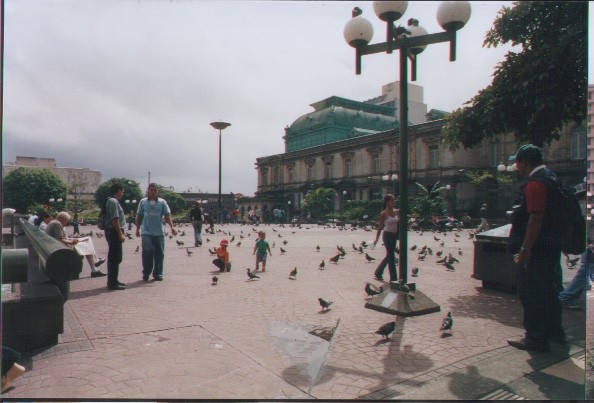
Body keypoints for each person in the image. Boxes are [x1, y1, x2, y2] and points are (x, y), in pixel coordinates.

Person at [507, 144, 565, 352]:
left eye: (517, 162)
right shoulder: (552, 178)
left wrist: (525, 249)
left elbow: (536, 219)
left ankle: (535, 337)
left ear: (524, 162)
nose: (517, 166)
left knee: (530, 292)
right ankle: (555, 332)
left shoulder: (535, 183)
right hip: (551, 246)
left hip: (537, 249)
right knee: (549, 290)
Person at [135, 183, 176, 282]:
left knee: (159, 254)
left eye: (154, 190)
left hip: (159, 233)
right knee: (147, 252)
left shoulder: (162, 202)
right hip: (146, 232)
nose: (153, 192)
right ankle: (146, 272)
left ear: (157, 191)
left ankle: (158, 273)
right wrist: (137, 228)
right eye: (151, 190)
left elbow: (167, 215)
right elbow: (139, 215)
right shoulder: (143, 202)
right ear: (148, 191)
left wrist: (172, 227)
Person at [558, 187, 591, 310]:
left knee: (586, 268)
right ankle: (565, 297)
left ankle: (566, 296)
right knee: (586, 268)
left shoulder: (581, 204)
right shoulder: (584, 206)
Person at [46, 211, 106, 278]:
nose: (66, 223)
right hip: (60, 247)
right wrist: (71, 242)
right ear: (63, 219)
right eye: (67, 221)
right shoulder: (58, 224)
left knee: (87, 239)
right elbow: (59, 239)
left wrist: (72, 239)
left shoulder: (54, 222)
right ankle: (94, 266)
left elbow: (60, 238)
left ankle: (95, 265)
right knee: (86, 244)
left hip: (56, 246)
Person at [104, 182, 127, 290]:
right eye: (122, 191)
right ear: (118, 191)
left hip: (112, 232)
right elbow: (115, 219)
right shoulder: (113, 201)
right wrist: (120, 233)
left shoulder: (112, 201)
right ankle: (112, 282)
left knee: (116, 257)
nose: (123, 193)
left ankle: (114, 280)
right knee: (114, 257)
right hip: (113, 232)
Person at [373, 194, 399, 283]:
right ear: (387, 202)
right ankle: (394, 279)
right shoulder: (384, 213)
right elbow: (380, 227)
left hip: (394, 236)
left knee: (389, 256)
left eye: (394, 200)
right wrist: (376, 239)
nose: (394, 201)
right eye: (392, 200)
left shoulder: (396, 212)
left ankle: (378, 272)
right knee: (391, 256)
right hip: (387, 236)